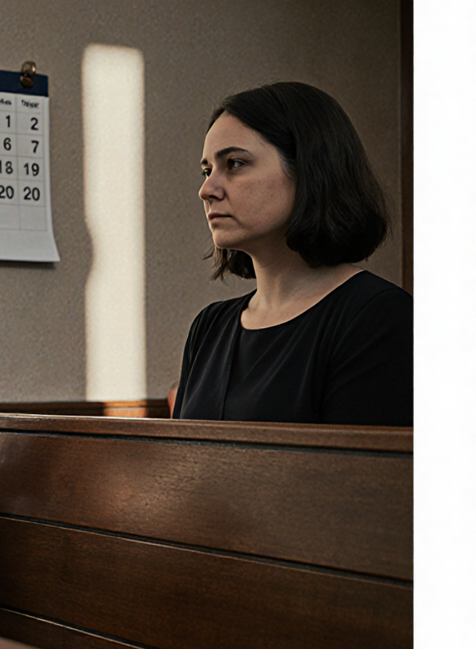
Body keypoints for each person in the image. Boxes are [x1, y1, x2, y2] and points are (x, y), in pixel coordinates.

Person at [173, 82, 412, 425]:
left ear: (311, 170)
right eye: (207, 170)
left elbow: (358, 475)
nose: (206, 190)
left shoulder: (381, 318)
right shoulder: (209, 327)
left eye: (235, 164)